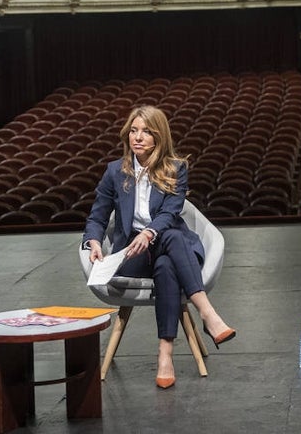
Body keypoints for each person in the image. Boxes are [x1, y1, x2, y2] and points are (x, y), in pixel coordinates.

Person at [83, 105, 236, 389]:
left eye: (146, 132)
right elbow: (97, 216)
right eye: (133, 130)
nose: (138, 137)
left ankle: (165, 353)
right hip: (132, 254)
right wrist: (93, 241)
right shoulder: (115, 172)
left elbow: (170, 212)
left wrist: (150, 233)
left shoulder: (176, 169)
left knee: (167, 260)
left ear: (159, 138)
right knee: (172, 240)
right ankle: (207, 313)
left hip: (165, 246)